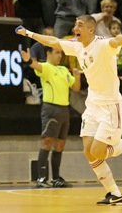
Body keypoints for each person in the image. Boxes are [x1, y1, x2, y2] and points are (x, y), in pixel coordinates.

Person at [15, 15, 122, 206]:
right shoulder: (76, 45)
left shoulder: (102, 44)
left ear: (91, 30)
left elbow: (114, 41)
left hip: (110, 105)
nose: (75, 27)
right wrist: (29, 33)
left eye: (80, 25)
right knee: (89, 152)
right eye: (75, 24)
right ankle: (114, 193)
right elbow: (53, 41)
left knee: (98, 151)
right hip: (93, 104)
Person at [20, 45, 81, 188]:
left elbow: (76, 88)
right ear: (48, 54)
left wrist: (77, 76)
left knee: (60, 144)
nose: (60, 55)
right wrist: (29, 60)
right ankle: (41, 178)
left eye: (61, 53)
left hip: (65, 110)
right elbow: (34, 65)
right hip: (51, 109)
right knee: (47, 142)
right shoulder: (46, 67)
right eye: (57, 52)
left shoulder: (64, 70)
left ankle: (56, 178)